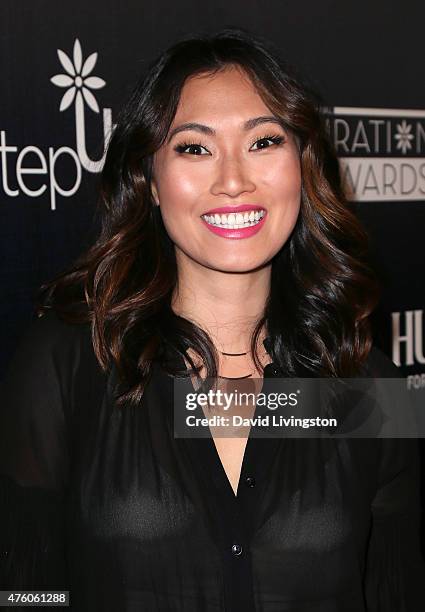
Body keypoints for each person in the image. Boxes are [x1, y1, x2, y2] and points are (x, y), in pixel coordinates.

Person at [1, 27, 424, 611]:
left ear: (302, 167)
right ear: (149, 180)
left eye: (264, 142)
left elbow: (394, 590)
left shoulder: (374, 389)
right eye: (194, 148)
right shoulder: (65, 364)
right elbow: (25, 587)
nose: (233, 181)